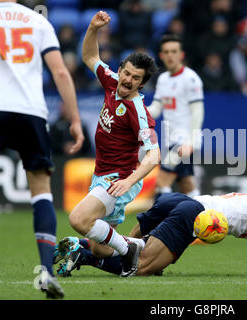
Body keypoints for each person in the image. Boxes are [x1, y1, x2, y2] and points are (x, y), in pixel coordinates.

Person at [0, 0, 85, 298]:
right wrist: (76, 119)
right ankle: (46, 272)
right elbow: (61, 72)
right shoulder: (38, 21)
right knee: (41, 187)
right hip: (31, 111)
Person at [66, 11, 160, 279]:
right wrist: (93, 28)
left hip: (118, 178)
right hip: (102, 174)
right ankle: (138, 246)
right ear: (120, 70)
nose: (128, 80)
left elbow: (154, 155)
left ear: (142, 84)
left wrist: (129, 182)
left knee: (78, 219)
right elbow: (90, 57)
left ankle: (128, 250)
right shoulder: (111, 81)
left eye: (135, 78)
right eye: (127, 73)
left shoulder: (138, 110)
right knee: (100, 251)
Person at [55, 192, 247, 278]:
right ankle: (85, 256)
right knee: (139, 268)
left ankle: (80, 243)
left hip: (179, 200)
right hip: (192, 213)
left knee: (135, 250)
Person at [147, 34, 204, 199]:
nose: (170, 55)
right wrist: (135, 108)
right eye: (166, 52)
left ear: (181, 54)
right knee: (187, 185)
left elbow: (197, 112)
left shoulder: (191, 79)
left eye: (174, 51)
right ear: (161, 56)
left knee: (161, 182)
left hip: (183, 142)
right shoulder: (163, 79)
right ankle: (206, 215)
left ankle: (159, 223)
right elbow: (156, 109)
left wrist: (190, 142)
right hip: (170, 140)